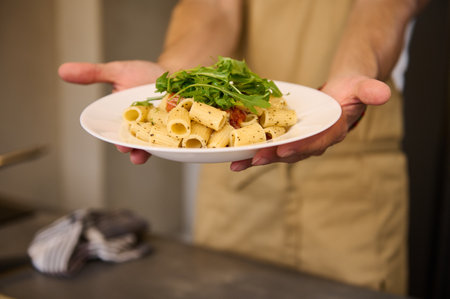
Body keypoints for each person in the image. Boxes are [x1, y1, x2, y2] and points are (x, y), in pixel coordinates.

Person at [59, 0, 428, 295]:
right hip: (237, 175)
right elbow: (215, 6)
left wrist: (357, 69)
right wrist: (174, 78)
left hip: (354, 185)